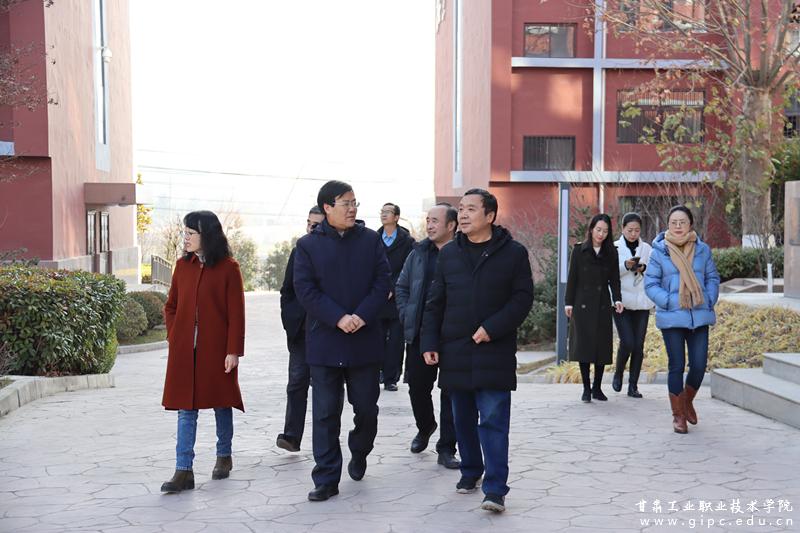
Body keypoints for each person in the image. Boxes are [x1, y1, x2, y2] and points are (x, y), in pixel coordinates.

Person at [421, 189, 533, 513]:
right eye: (461, 209)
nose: (464, 215)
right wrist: (429, 343)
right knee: (462, 419)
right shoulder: (449, 254)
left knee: (494, 419)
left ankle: (495, 489)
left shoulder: (513, 253)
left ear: (490, 215)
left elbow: (522, 299)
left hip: (494, 350)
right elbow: (435, 302)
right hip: (455, 349)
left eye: (471, 209)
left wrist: (492, 328)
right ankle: (470, 470)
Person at [293, 180, 392, 502]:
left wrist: (361, 315)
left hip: (364, 340)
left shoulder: (370, 240)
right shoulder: (307, 245)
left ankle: (360, 450)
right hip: (325, 341)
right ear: (327, 207)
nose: (352, 209)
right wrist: (337, 317)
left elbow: (383, 282)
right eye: (345, 203)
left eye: (354, 203)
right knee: (324, 414)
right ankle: (326, 478)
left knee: (366, 409)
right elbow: (305, 290)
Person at [160, 210, 245, 493]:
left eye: (190, 233)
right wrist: (175, 334)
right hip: (185, 351)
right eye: (184, 233)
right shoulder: (182, 266)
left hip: (217, 350)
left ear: (206, 235)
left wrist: (233, 351)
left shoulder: (229, 268)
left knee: (221, 402)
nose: (185, 238)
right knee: (186, 409)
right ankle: (183, 470)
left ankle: (224, 455)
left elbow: (236, 314)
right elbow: (171, 306)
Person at [395, 203, 459, 469]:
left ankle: (447, 448)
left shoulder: (462, 253)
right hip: (421, 333)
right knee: (418, 387)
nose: (429, 225)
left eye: (435, 221)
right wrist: (406, 314)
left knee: (451, 392)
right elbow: (402, 286)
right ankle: (426, 426)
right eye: (428, 220)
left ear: (451, 225)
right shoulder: (418, 253)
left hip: (453, 335)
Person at [645, 205, 719, 434]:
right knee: (676, 365)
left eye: (682, 222)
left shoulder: (702, 250)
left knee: (699, 365)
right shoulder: (659, 252)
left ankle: (686, 401)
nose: (678, 226)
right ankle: (678, 415)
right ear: (668, 225)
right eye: (674, 222)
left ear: (690, 225)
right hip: (672, 317)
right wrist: (669, 301)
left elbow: (712, 277)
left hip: (699, 314)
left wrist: (708, 299)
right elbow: (650, 284)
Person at [276, 206, 326, 453]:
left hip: (328, 331)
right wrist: (290, 321)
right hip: (300, 332)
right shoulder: (299, 251)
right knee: (296, 383)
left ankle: (324, 440)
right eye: (308, 223)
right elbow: (287, 290)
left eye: (316, 225)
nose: (310, 228)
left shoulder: (335, 251)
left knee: (326, 388)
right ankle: (292, 436)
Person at [565, 213, 624, 403]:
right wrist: (568, 302)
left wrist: (617, 299)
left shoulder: (611, 252)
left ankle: (597, 388)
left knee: (601, 347)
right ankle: (586, 388)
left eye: (605, 231)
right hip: (582, 304)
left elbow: (614, 279)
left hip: (602, 304)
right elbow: (572, 278)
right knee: (584, 346)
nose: (601, 234)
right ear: (591, 229)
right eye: (598, 230)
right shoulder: (579, 250)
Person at [612, 212, 655, 398]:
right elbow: (609, 273)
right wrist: (626, 266)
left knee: (638, 345)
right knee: (627, 341)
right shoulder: (614, 247)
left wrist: (643, 268)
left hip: (641, 303)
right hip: (621, 302)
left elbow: (654, 271)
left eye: (637, 230)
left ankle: (633, 386)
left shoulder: (647, 249)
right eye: (630, 230)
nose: (633, 234)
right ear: (622, 229)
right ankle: (618, 372)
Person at [377, 202, 415, 391]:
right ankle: (378, 372)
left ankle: (391, 377)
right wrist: (382, 286)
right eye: (382, 211)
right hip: (378, 295)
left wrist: (393, 287)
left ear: (397, 217)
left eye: (388, 212)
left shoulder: (407, 241)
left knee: (396, 341)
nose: (384, 214)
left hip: (398, 297)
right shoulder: (374, 239)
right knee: (376, 338)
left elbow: (408, 268)